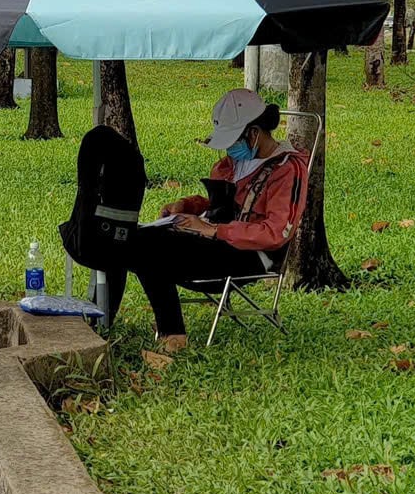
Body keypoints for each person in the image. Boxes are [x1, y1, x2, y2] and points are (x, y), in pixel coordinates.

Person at [131, 89, 309, 352]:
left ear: (253, 133)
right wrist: (187, 206)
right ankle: (169, 330)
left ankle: (173, 335)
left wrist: (215, 230)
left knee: (150, 246)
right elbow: (216, 206)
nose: (228, 149)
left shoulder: (286, 169)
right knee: (137, 238)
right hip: (214, 241)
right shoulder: (229, 164)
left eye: (232, 140)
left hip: (249, 256)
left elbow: (275, 233)